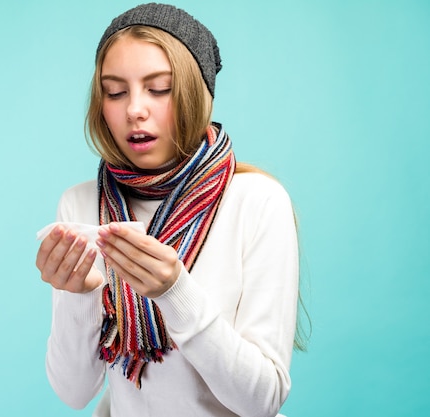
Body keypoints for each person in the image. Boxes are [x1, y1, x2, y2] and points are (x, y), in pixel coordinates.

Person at [35, 3, 304, 416]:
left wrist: (175, 292)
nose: (134, 110)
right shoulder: (80, 205)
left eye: (159, 88)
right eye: (115, 91)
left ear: (197, 94)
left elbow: (262, 401)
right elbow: (74, 394)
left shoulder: (258, 201)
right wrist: (78, 296)